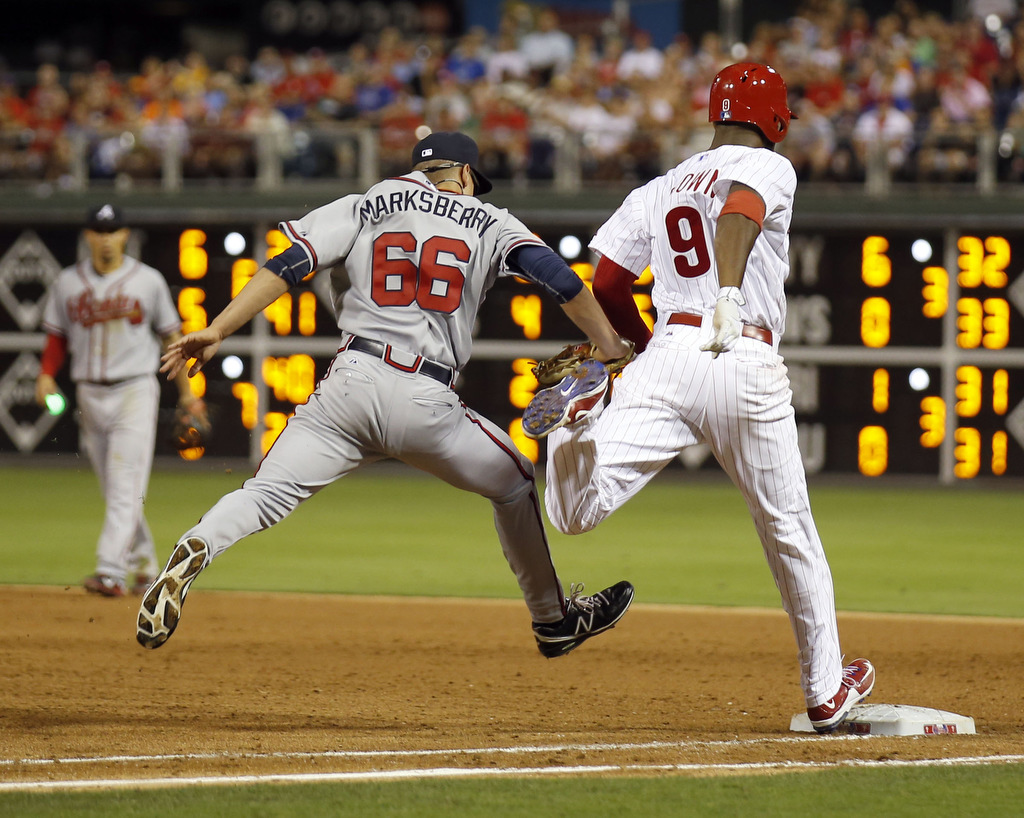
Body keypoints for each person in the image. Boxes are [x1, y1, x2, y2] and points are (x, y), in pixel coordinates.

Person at [138, 131, 635, 657]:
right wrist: (609, 345)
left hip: (349, 383)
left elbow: (289, 265)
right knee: (513, 481)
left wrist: (218, 329)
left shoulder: (369, 201)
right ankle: (552, 619)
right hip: (425, 396)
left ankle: (199, 544)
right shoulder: (491, 221)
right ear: (464, 174)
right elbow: (560, 281)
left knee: (264, 494)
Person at [523, 64, 876, 732]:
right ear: (773, 118)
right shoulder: (771, 166)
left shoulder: (660, 186)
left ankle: (573, 423)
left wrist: (627, 347)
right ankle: (825, 692)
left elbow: (607, 278)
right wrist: (729, 294)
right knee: (788, 531)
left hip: (669, 356)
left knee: (576, 513)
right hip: (740, 349)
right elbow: (741, 209)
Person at [35, 203, 208, 597]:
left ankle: (110, 570)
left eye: (113, 231)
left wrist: (187, 394)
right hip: (88, 393)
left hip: (134, 389)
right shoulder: (67, 282)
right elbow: (56, 338)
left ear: (125, 234)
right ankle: (145, 564)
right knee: (116, 488)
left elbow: (172, 340)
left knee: (124, 486)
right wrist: (46, 374)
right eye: (99, 231)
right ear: (88, 236)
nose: (106, 238)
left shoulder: (147, 281)